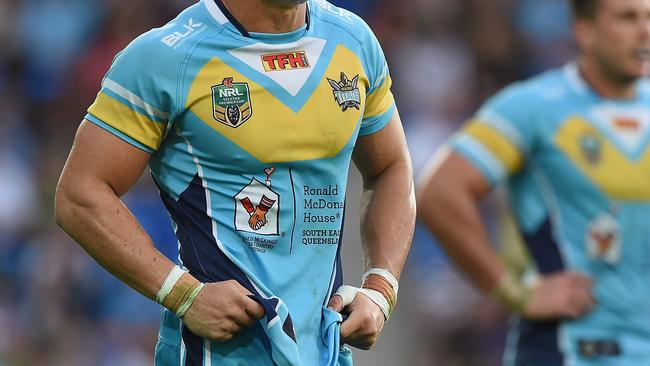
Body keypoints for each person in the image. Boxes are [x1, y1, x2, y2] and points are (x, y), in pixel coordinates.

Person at [54, 0, 416, 365]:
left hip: (325, 352)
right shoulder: (166, 56)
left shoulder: (353, 41)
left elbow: (391, 167)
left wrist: (381, 288)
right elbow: (80, 194)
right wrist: (183, 294)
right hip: (216, 354)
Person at [417, 0, 650, 364]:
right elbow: (440, 193)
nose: (644, 31)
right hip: (568, 349)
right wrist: (512, 291)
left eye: (649, 17)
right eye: (627, 17)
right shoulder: (532, 106)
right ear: (584, 31)